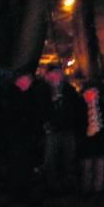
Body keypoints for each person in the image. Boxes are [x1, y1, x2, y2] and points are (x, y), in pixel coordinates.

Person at [39, 65, 85, 194]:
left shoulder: (69, 90)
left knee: (69, 157)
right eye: (53, 74)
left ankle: (69, 183)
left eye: (58, 73)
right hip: (51, 130)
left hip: (68, 129)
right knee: (50, 159)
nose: (56, 76)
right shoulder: (43, 90)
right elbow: (40, 109)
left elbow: (77, 108)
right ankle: (51, 185)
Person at [1, 70, 45, 203]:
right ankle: (16, 191)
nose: (30, 83)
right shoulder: (10, 95)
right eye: (27, 80)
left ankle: (25, 189)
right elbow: (8, 117)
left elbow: (35, 114)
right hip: (15, 137)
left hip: (28, 136)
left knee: (27, 164)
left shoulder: (30, 94)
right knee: (17, 165)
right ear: (20, 80)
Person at [80, 83, 104, 194]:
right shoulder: (81, 106)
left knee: (100, 164)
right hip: (86, 140)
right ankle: (86, 188)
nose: (94, 94)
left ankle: (99, 188)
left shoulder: (102, 105)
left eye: (95, 92)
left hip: (100, 139)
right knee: (87, 165)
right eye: (91, 92)